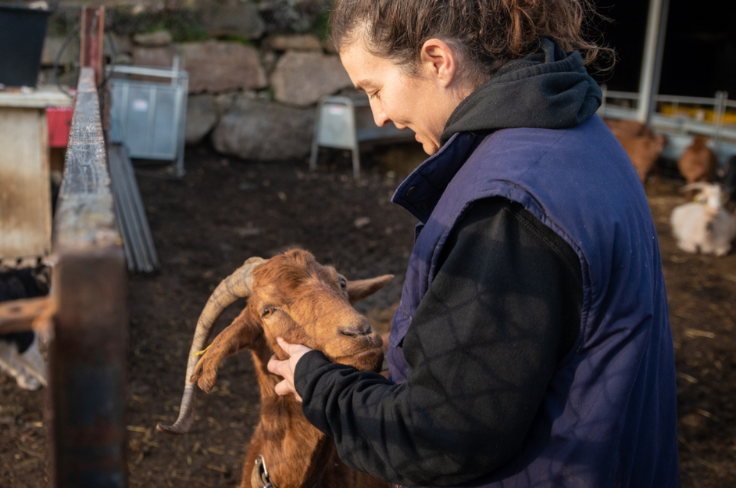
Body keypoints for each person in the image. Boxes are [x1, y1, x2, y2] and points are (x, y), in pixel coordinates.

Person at [266, 0, 681, 486]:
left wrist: (318, 384)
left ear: (437, 61)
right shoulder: (580, 136)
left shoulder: (508, 211)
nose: (377, 115)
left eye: (375, 90)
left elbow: (439, 433)